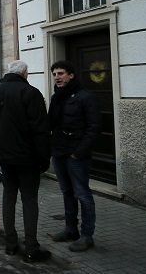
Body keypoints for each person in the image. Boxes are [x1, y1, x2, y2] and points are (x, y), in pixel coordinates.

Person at [0, 60, 51, 262]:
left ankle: (11, 244)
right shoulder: (31, 93)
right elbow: (41, 130)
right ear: (25, 73)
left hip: (5, 158)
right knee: (29, 200)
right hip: (28, 159)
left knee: (8, 197)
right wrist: (44, 158)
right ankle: (31, 247)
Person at [49, 60, 100, 252]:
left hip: (76, 156)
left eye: (61, 73)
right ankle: (71, 229)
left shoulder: (86, 97)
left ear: (71, 75)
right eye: (54, 74)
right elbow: (52, 125)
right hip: (59, 153)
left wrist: (79, 152)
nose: (57, 77)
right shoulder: (56, 98)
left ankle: (87, 236)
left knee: (82, 194)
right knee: (67, 192)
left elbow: (94, 128)